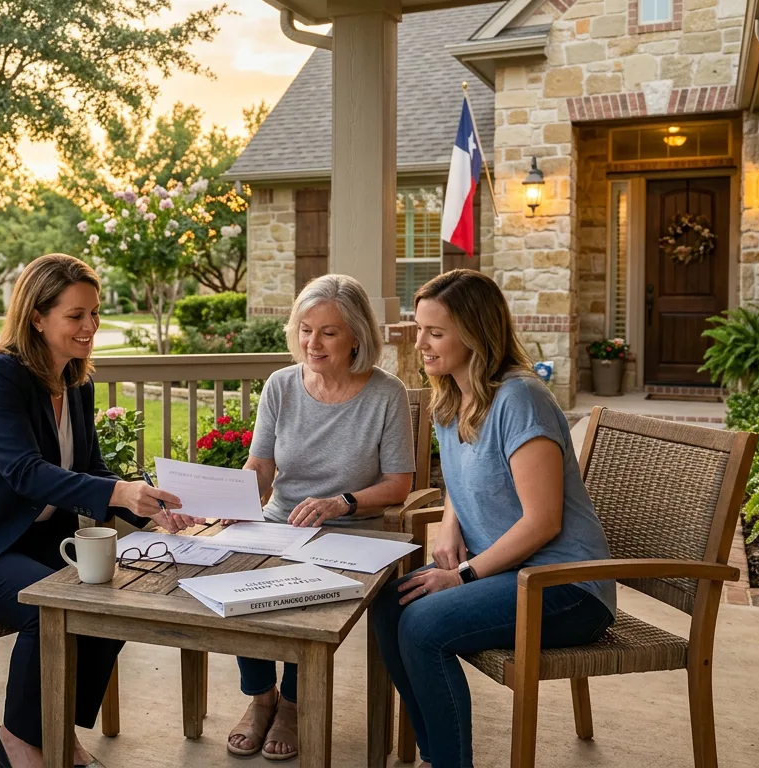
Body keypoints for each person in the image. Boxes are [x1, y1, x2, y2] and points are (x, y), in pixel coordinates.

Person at [0, 254, 198, 768]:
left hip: (27, 540)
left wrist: (148, 509)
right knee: (49, 608)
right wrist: (118, 494)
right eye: (76, 315)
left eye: (95, 314)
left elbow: (95, 469)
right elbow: (24, 472)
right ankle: (17, 739)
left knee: (115, 598)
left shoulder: (75, 381)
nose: (90, 326)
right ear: (37, 316)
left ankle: (54, 731)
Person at [370, 269, 617, 768]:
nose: (420, 343)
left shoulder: (520, 399)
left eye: (435, 333)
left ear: (476, 334)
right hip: (506, 573)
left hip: (564, 586)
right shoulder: (451, 396)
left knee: (421, 624)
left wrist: (460, 576)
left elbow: (543, 521)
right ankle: (440, 750)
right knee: (389, 606)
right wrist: (450, 524)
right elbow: (470, 475)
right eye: (419, 328)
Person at [225, 274, 415, 761]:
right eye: (305, 329)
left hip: (354, 531)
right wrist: (232, 502)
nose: (313, 342)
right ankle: (261, 697)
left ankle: (291, 704)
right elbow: (261, 467)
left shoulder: (386, 394)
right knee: (237, 577)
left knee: (297, 597)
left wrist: (340, 503)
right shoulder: (281, 386)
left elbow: (398, 484)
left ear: (356, 334)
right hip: (282, 524)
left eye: (328, 332)